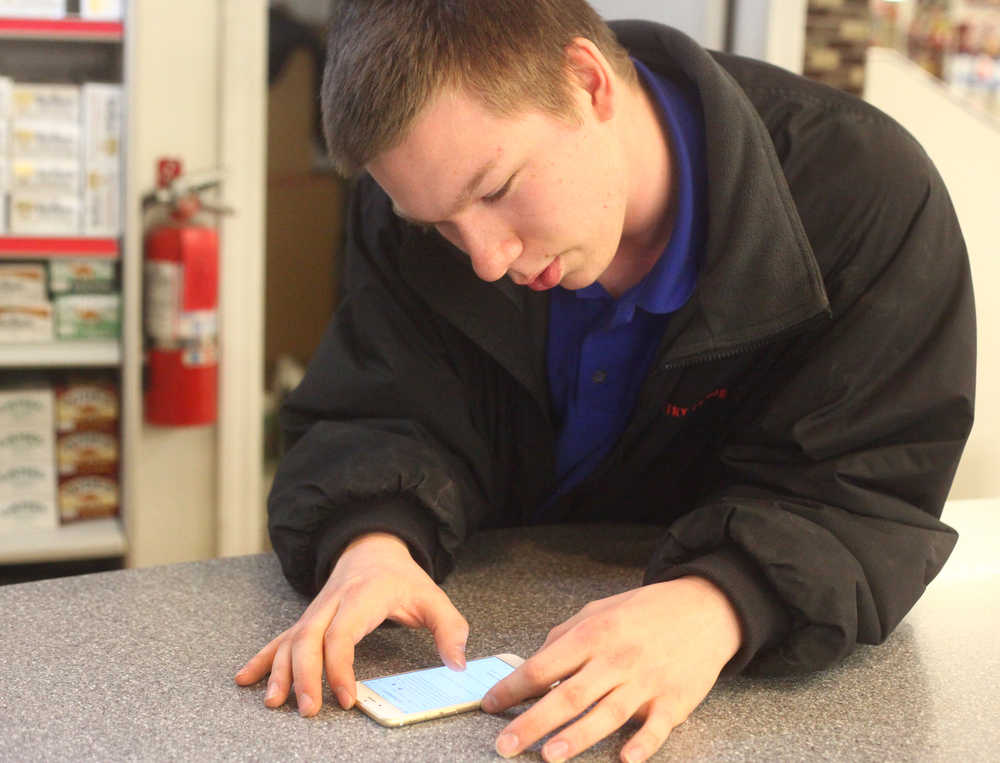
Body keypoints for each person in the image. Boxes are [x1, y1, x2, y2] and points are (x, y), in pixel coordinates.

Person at [235, 1, 976, 761]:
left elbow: (868, 491)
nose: (486, 257)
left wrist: (720, 602)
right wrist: (372, 538)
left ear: (588, 83)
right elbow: (377, 405)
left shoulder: (872, 199)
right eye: (440, 226)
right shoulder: (420, 194)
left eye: (495, 189)